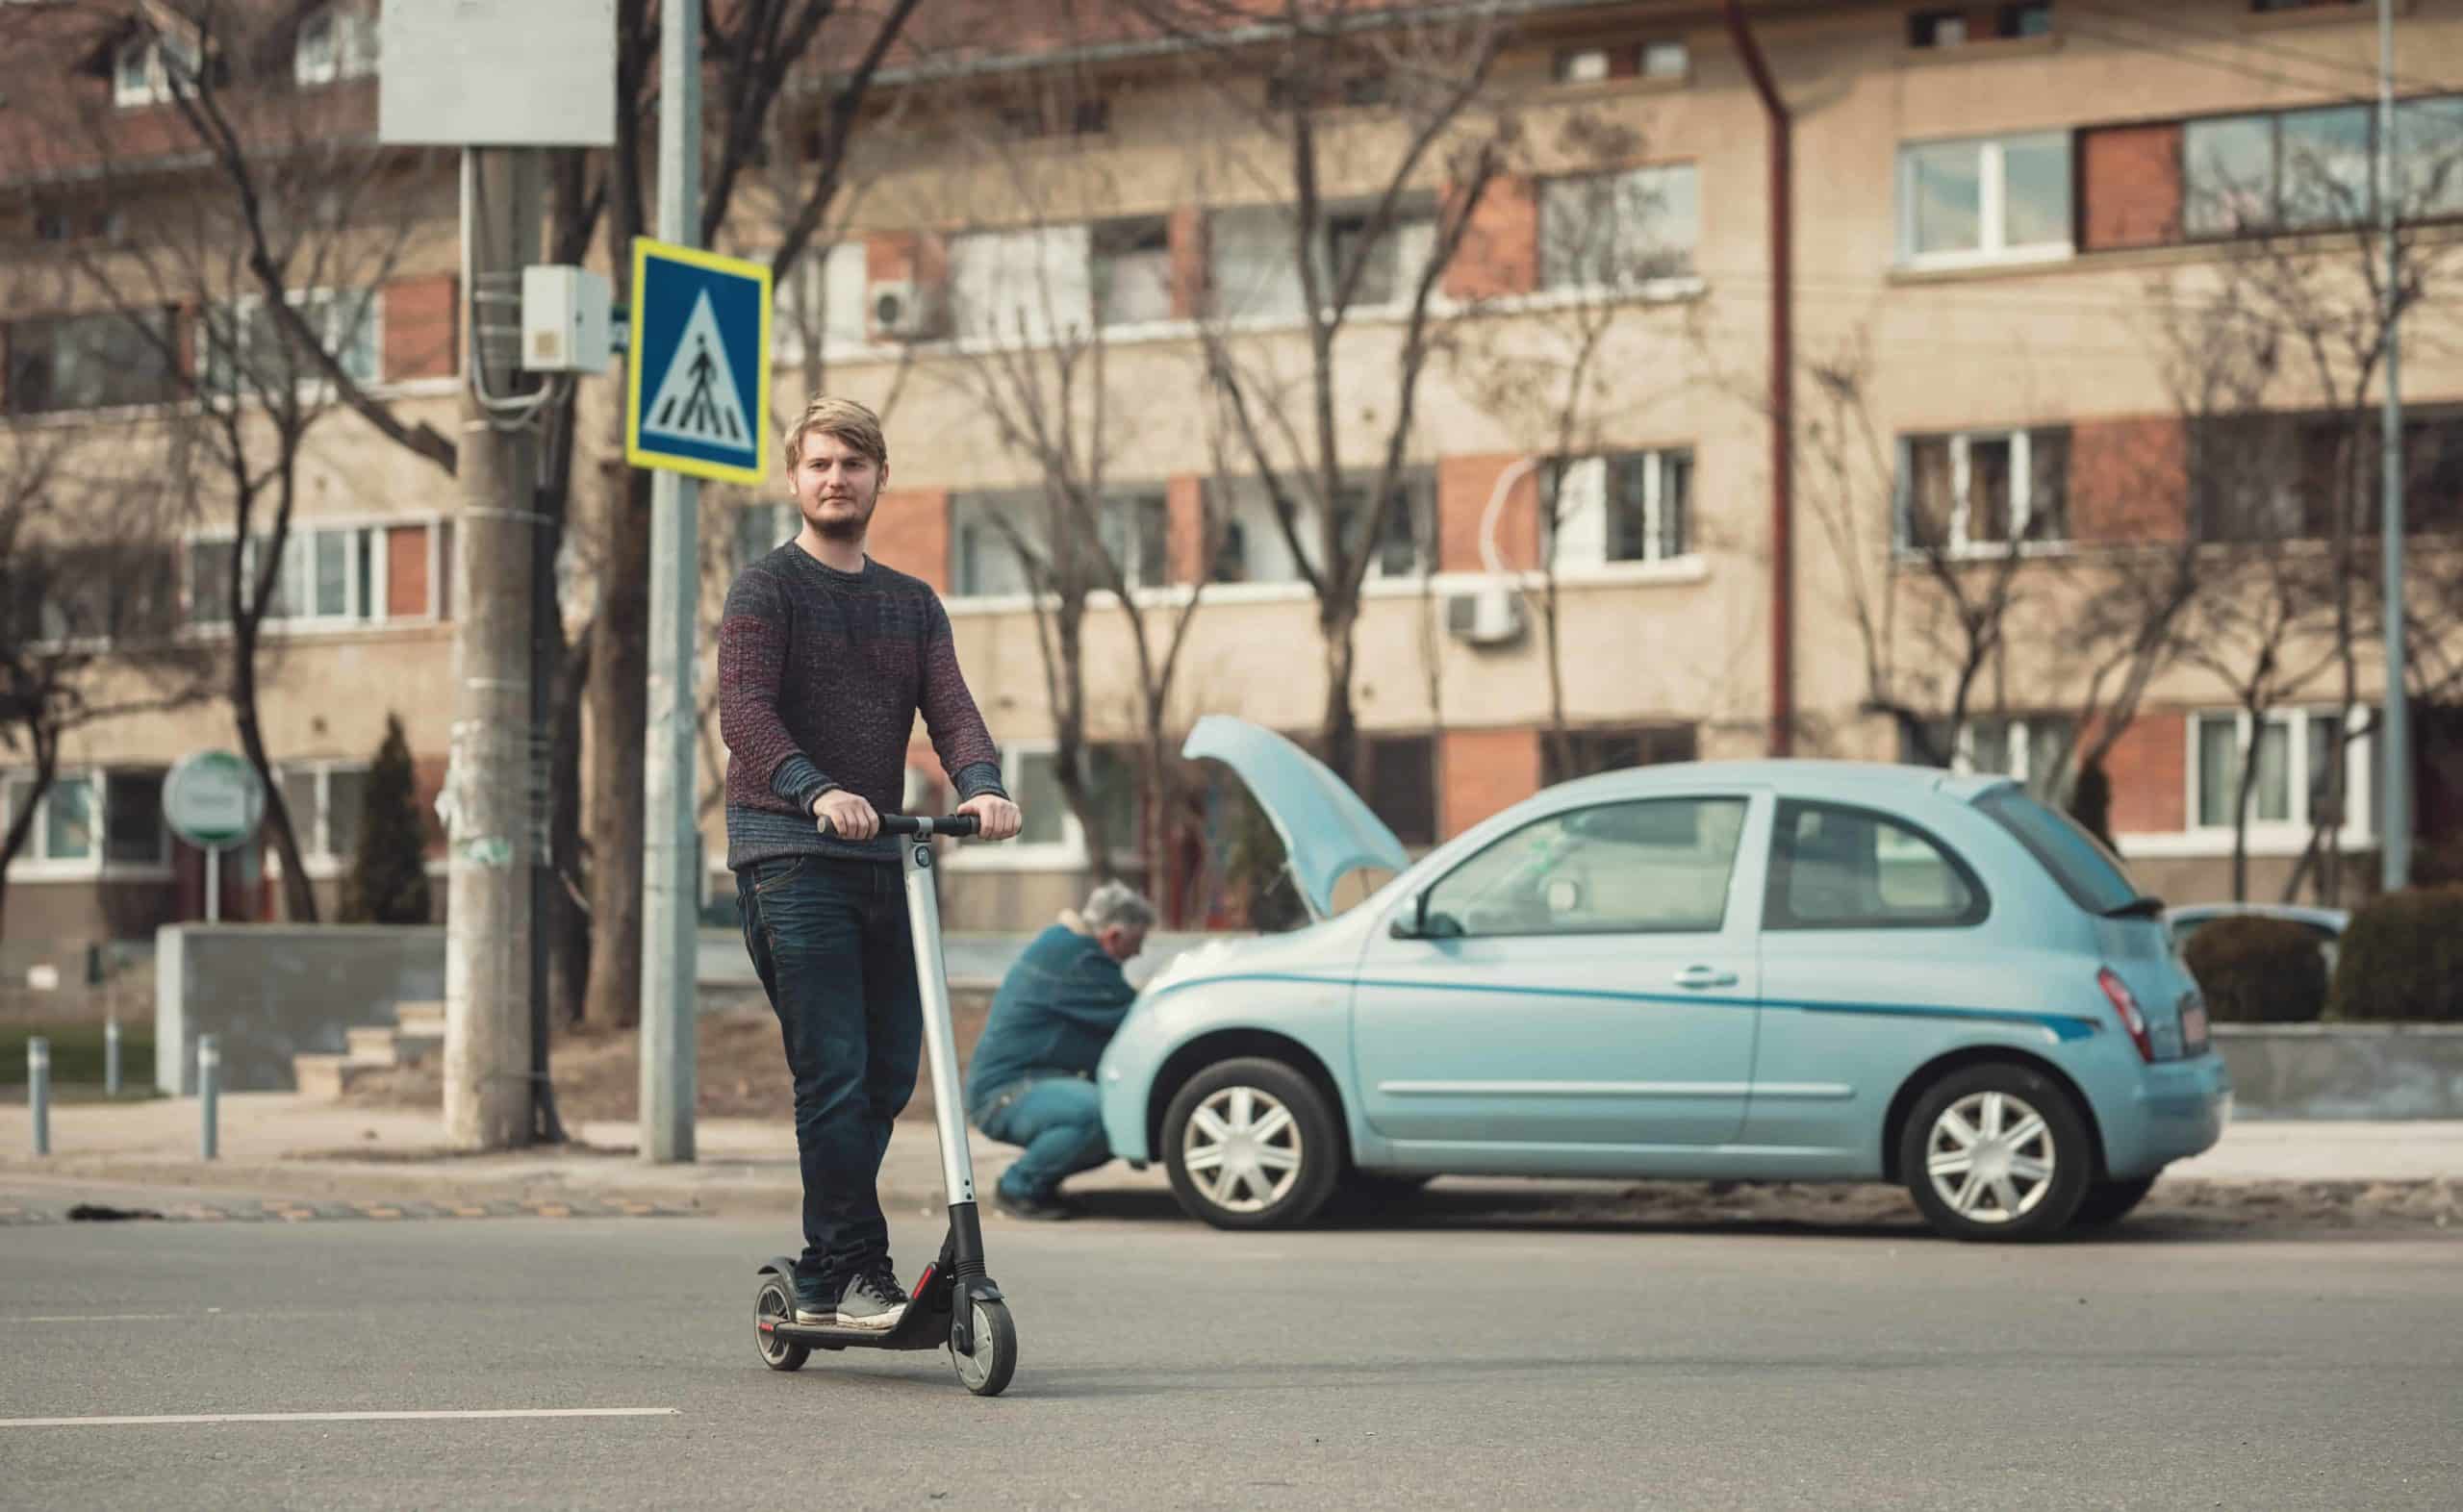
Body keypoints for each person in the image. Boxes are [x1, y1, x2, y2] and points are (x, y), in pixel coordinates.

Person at [719, 394, 1022, 1331]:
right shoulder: (766, 590)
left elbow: (954, 709)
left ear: (880, 476)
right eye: (818, 464)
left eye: (852, 464)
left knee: (889, 1071)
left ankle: (822, 1267)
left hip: (885, 859)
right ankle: (856, 1266)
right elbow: (746, 716)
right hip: (789, 853)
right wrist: (816, 790)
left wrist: (980, 784)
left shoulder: (909, 603)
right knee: (838, 1068)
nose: (834, 479)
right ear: (794, 478)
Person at [965, 881, 1156, 1221]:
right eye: (1136, 943)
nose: (1138, 954)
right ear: (1112, 936)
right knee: (1099, 1115)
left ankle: (1043, 1182)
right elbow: (1139, 1019)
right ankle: (1018, 1187)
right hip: (1007, 1093)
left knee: (1106, 1111)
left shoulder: (1067, 947)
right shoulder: (1080, 961)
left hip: (1026, 1084)